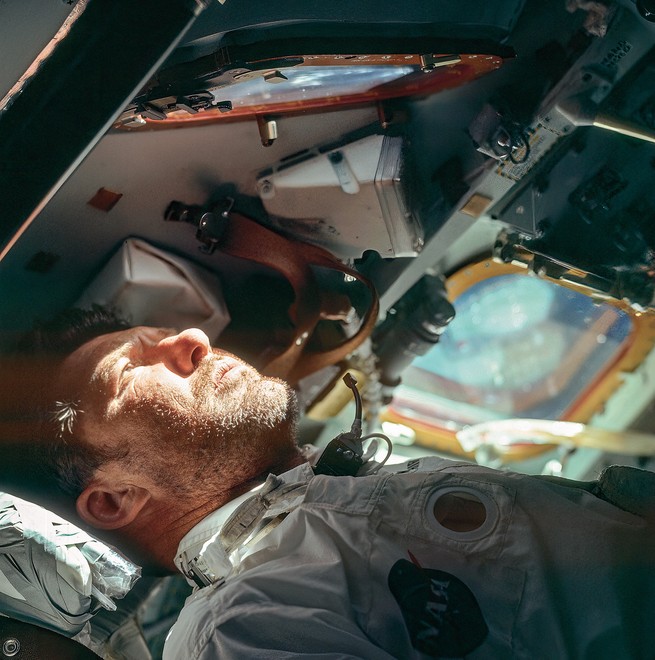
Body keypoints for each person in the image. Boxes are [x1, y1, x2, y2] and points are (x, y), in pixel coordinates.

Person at [1, 306, 655, 659]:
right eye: (137, 368)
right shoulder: (243, 630)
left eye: (163, 334)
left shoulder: (345, 501)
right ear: (117, 498)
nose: (194, 339)